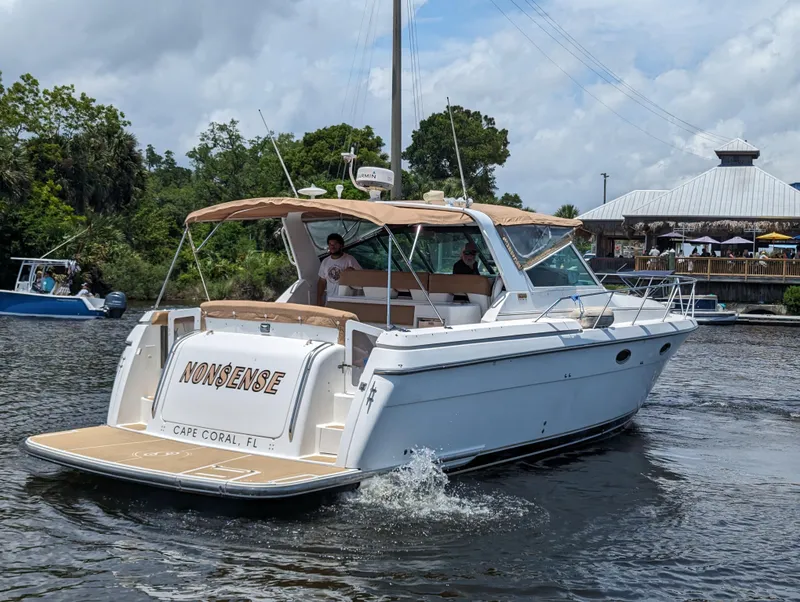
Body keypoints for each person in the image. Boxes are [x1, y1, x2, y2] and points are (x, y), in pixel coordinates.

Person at [317, 233, 361, 305]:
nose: (332, 246)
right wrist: (319, 298)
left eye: (335, 244)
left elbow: (362, 277)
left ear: (341, 245)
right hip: (330, 301)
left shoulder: (350, 259)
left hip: (346, 301)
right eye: (330, 244)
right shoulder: (325, 262)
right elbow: (322, 281)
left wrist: (352, 273)